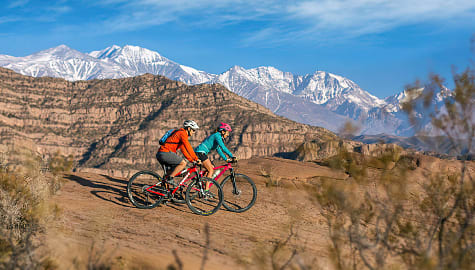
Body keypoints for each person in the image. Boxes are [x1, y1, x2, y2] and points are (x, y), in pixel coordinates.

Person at [156, 120, 201, 184]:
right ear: (188, 128)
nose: (194, 132)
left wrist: (191, 160)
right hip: (165, 153)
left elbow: (184, 150)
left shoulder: (179, 133)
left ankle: (165, 190)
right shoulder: (182, 133)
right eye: (193, 130)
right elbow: (188, 147)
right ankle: (170, 178)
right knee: (183, 163)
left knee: (170, 172)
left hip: (161, 154)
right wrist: (196, 158)